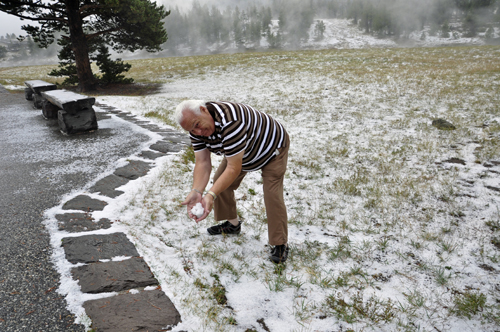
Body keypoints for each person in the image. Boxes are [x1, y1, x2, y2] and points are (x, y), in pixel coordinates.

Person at [174, 100, 290, 263]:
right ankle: (232, 224)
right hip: (242, 153)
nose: (198, 132)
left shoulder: (231, 121)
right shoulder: (196, 130)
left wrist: (210, 195)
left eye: (197, 125)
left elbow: (233, 168)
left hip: (271, 149)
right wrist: (197, 191)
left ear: (203, 110)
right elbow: (203, 162)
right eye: (192, 130)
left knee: (272, 194)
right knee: (219, 182)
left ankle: (280, 243)